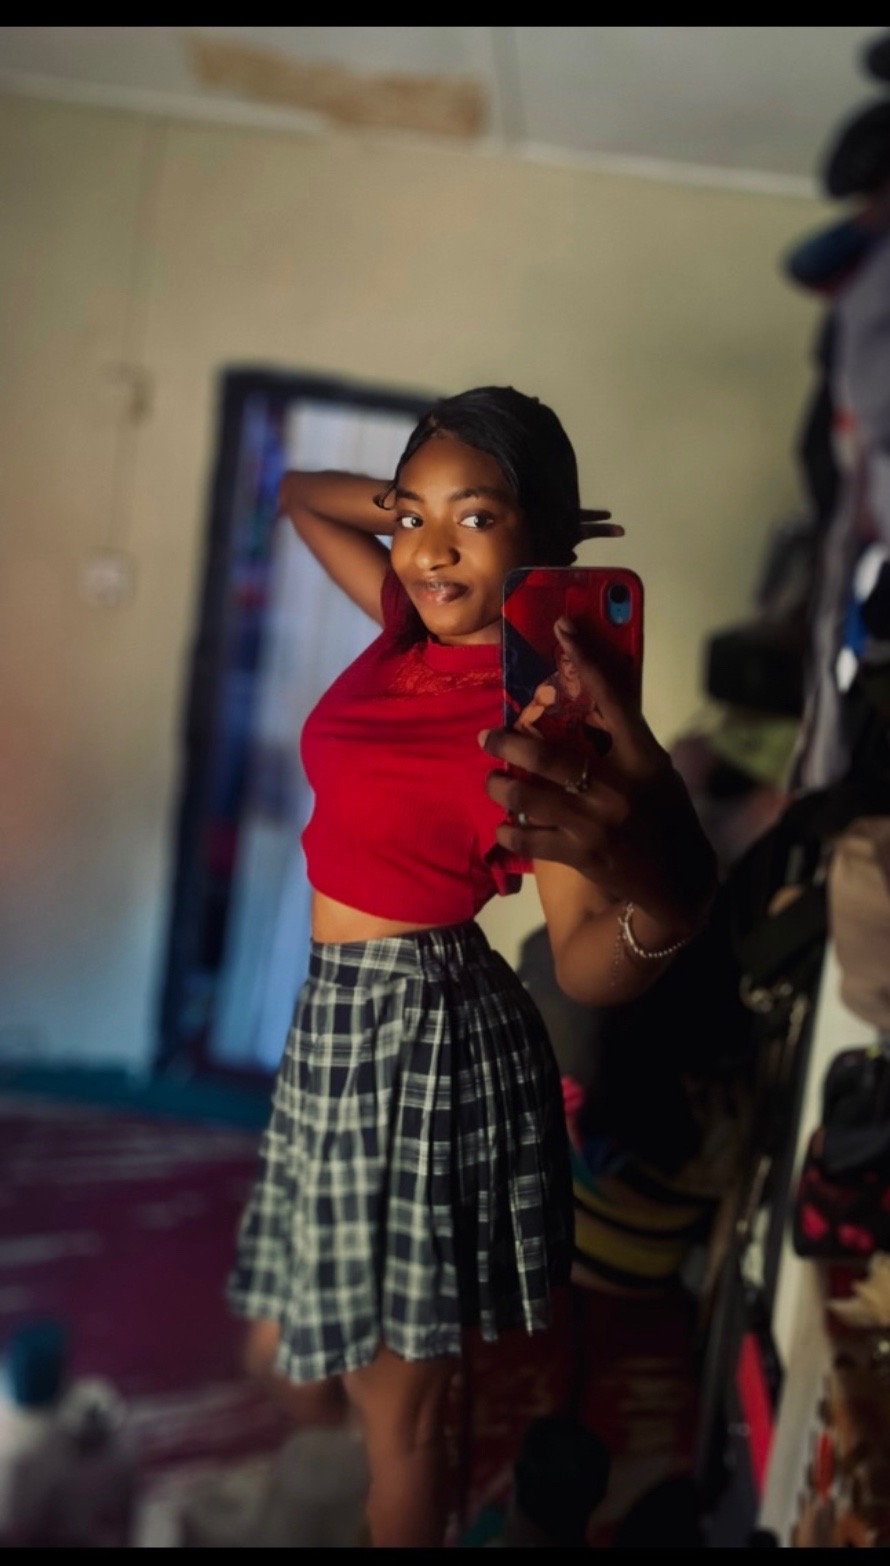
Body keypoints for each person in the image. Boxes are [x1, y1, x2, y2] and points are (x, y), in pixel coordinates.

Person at [225, 386, 718, 1548]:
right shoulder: (404, 623)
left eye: (477, 519)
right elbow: (301, 495)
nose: (430, 548)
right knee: (294, 1365)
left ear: (537, 540)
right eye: (413, 516)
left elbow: (587, 960)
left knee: (393, 1415)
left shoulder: (543, 712)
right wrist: (440, 518)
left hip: (423, 1040)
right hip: (335, 1023)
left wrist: (664, 909)